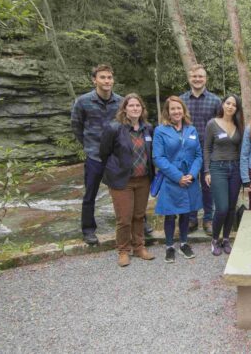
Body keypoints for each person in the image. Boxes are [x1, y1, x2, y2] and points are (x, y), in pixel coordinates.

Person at [99, 93, 156, 267]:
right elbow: (104, 153)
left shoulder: (148, 128)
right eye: (131, 105)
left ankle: (139, 247)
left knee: (139, 216)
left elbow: (151, 152)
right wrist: (114, 171)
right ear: (124, 108)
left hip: (143, 179)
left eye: (138, 106)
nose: (135, 108)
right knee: (124, 218)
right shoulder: (114, 128)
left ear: (142, 109)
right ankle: (123, 250)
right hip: (122, 181)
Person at [71, 64, 122, 245]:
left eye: (109, 77)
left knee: (125, 191)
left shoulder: (120, 102)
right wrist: (88, 145)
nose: (107, 81)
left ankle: (139, 225)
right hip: (94, 156)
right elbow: (76, 126)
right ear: (94, 80)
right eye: (103, 77)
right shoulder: (83, 102)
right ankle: (88, 230)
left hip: (116, 156)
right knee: (90, 194)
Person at [153, 96, 202, 263]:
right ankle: (169, 246)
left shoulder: (191, 130)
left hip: (189, 179)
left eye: (179, 108)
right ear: (167, 111)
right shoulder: (160, 130)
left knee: (186, 212)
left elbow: (198, 155)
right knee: (170, 213)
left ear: (183, 110)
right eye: (173, 108)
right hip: (171, 178)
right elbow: (158, 158)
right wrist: (178, 176)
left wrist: (193, 174)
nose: (176, 111)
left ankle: (183, 243)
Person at [180, 64, 222, 234]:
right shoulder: (181, 100)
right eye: (194, 76)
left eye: (200, 76)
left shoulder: (215, 101)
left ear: (206, 79)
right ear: (189, 78)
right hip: (187, 151)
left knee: (208, 185)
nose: (197, 79)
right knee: (189, 184)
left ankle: (208, 219)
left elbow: (221, 126)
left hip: (209, 150)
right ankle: (191, 219)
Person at [204, 94, 244, 256]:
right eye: (228, 103)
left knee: (232, 208)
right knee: (222, 208)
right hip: (217, 168)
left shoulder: (239, 125)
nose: (230, 107)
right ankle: (215, 239)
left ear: (236, 109)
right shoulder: (212, 124)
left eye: (234, 105)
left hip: (235, 169)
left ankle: (226, 239)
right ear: (223, 104)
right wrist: (207, 170)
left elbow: (242, 150)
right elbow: (206, 148)